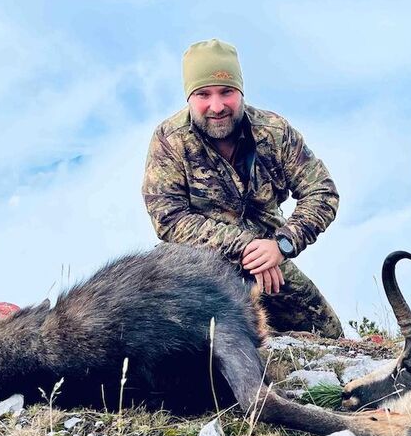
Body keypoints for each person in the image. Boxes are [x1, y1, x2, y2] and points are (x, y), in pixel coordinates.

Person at [142, 39, 342, 338]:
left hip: (269, 259)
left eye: (226, 92)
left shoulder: (274, 132)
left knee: (329, 334)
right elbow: (169, 219)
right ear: (189, 97)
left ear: (241, 92)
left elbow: (322, 192)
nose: (217, 106)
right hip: (198, 264)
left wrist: (282, 245)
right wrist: (245, 247)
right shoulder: (169, 140)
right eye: (203, 94)